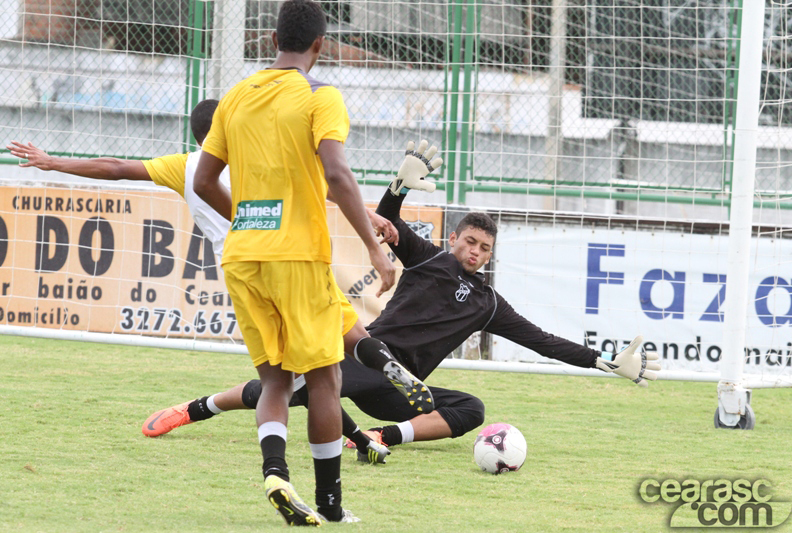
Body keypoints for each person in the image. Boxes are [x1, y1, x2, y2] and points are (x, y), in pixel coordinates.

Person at [143, 142, 662, 453]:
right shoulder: (431, 257)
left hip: (402, 391)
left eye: (485, 248)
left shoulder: (489, 305)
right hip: (369, 357)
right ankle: (194, 409)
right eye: (470, 242)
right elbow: (385, 226)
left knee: (470, 409)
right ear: (455, 239)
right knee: (278, 392)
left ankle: (377, 438)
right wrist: (400, 185)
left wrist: (604, 362)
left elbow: (543, 341)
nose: (476, 252)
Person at [7, 101, 438, 465]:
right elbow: (327, 186)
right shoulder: (262, 157)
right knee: (337, 351)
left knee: (294, 377)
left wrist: (53, 162)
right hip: (294, 259)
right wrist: (374, 216)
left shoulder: (187, 166)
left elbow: (117, 167)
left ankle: (345, 446)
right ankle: (381, 375)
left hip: (244, 274)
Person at [190, 0, 402, 525]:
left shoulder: (235, 96)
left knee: (276, 379)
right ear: (319, 45)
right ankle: (330, 506)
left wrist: (251, 219)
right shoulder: (319, 95)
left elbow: (202, 181)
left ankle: (277, 475)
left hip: (243, 256)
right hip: (296, 258)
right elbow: (336, 173)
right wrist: (376, 248)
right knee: (325, 378)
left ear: (271, 39)